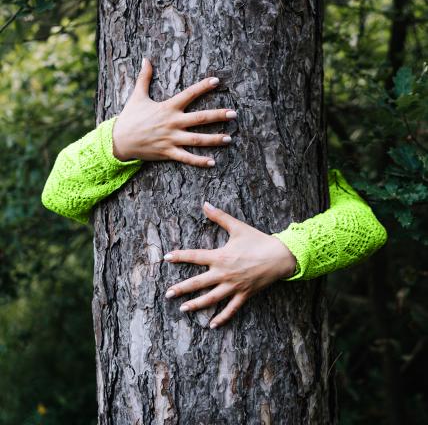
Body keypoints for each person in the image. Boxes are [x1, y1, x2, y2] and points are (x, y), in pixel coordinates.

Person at [42, 58, 387, 329]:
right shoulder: (123, 144)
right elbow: (59, 193)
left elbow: (363, 227)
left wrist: (281, 254)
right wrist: (121, 140)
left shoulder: (307, 171)